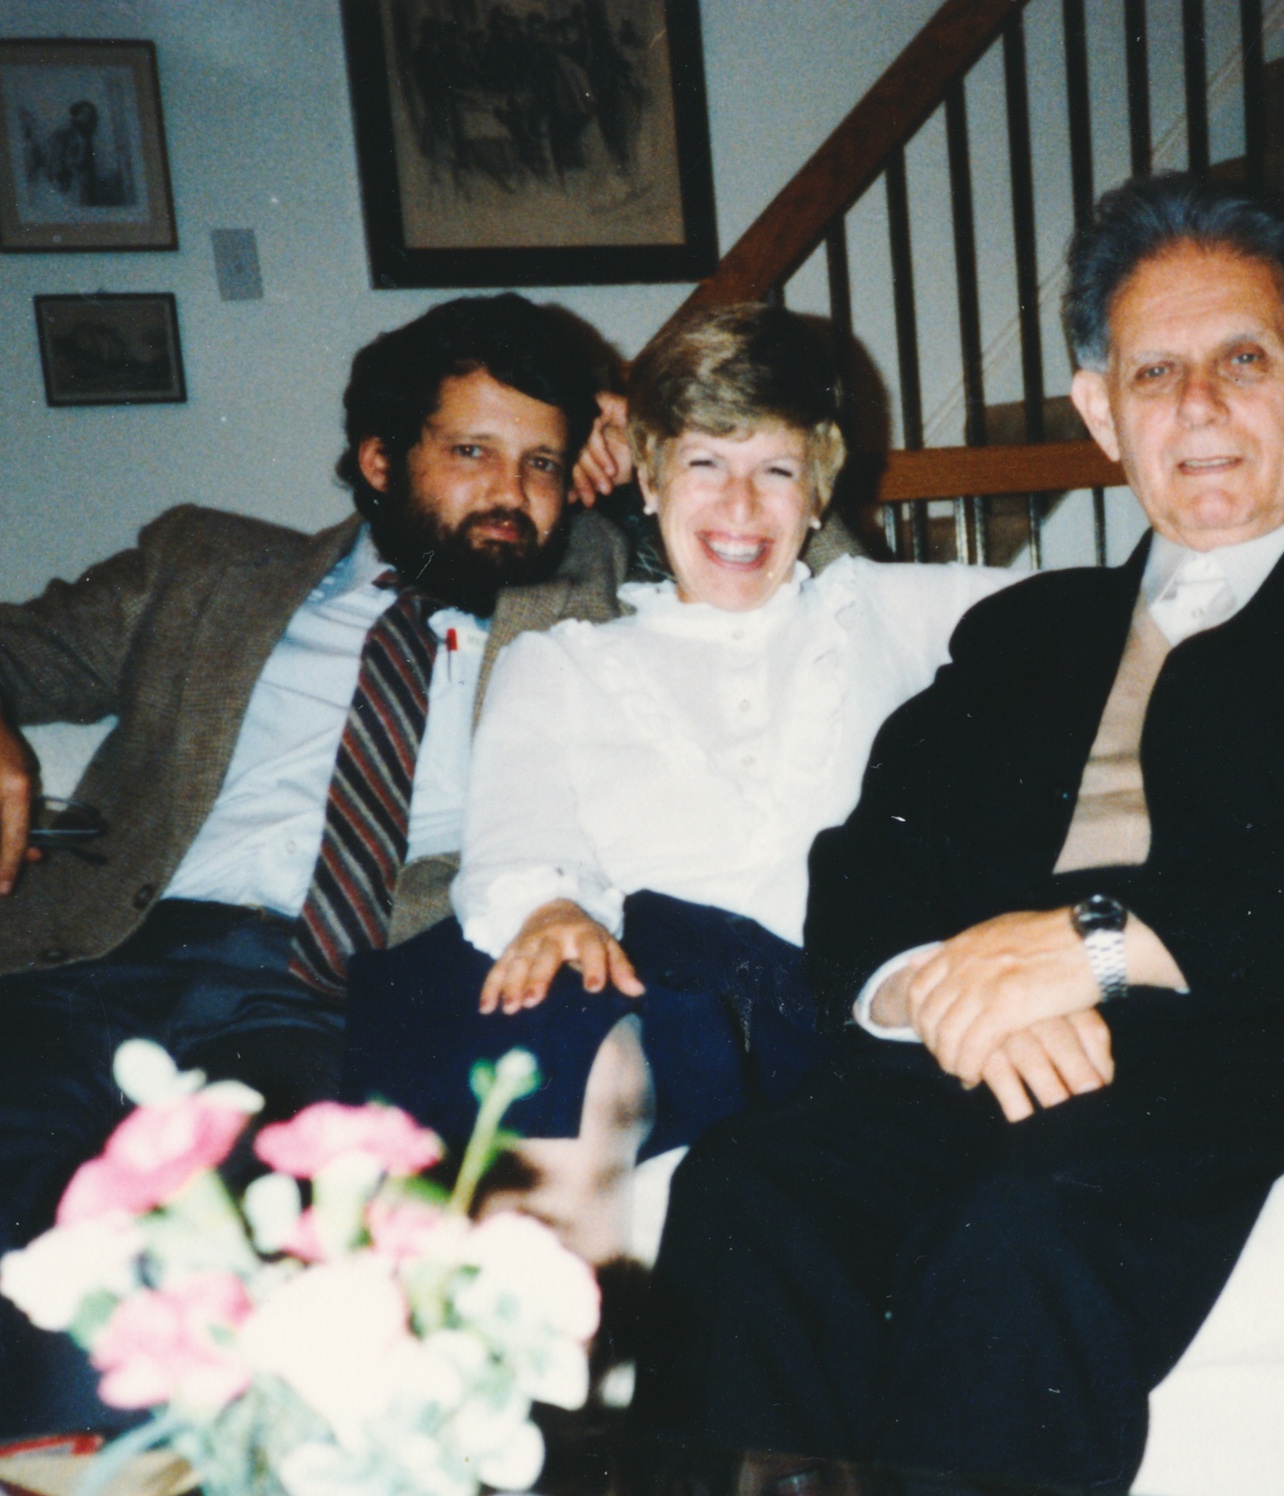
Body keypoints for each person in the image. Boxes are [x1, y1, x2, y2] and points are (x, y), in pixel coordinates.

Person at [638, 175, 1284, 1495]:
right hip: (992, 1045)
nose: (1197, 408)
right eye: (1154, 373)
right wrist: (937, 984)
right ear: (1100, 411)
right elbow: (873, 853)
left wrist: (1094, 942)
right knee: (750, 1188)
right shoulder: (1026, 630)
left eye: (1242, 361)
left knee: (1023, 1226)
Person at [0, 295, 639, 1447]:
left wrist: (659, 433)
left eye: (542, 462)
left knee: (200, 1264)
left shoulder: (589, 584)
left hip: (327, 992)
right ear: (380, 458)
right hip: (92, 965)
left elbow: (802, 558)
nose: (511, 492)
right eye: (472, 451)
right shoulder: (209, 565)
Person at [342, 303, 1015, 1262]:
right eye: (704, 463)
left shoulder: (882, 609)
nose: (740, 507)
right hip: (643, 976)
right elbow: (516, 845)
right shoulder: (561, 661)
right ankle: (539, 1332)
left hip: (834, 1001)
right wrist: (550, 909)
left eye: (776, 471)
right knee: (562, 1007)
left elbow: (1103, 620)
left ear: (817, 495)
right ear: (648, 479)